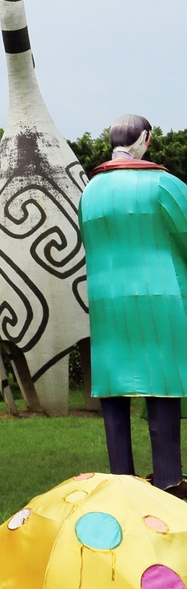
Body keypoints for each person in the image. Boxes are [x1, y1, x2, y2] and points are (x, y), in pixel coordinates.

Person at [79, 113, 187, 498]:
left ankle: (121, 482)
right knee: (162, 393)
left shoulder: (89, 192)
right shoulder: (165, 185)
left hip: (108, 308)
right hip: (162, 304)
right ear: (145, 139)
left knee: (115, 401)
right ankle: (170, 481)